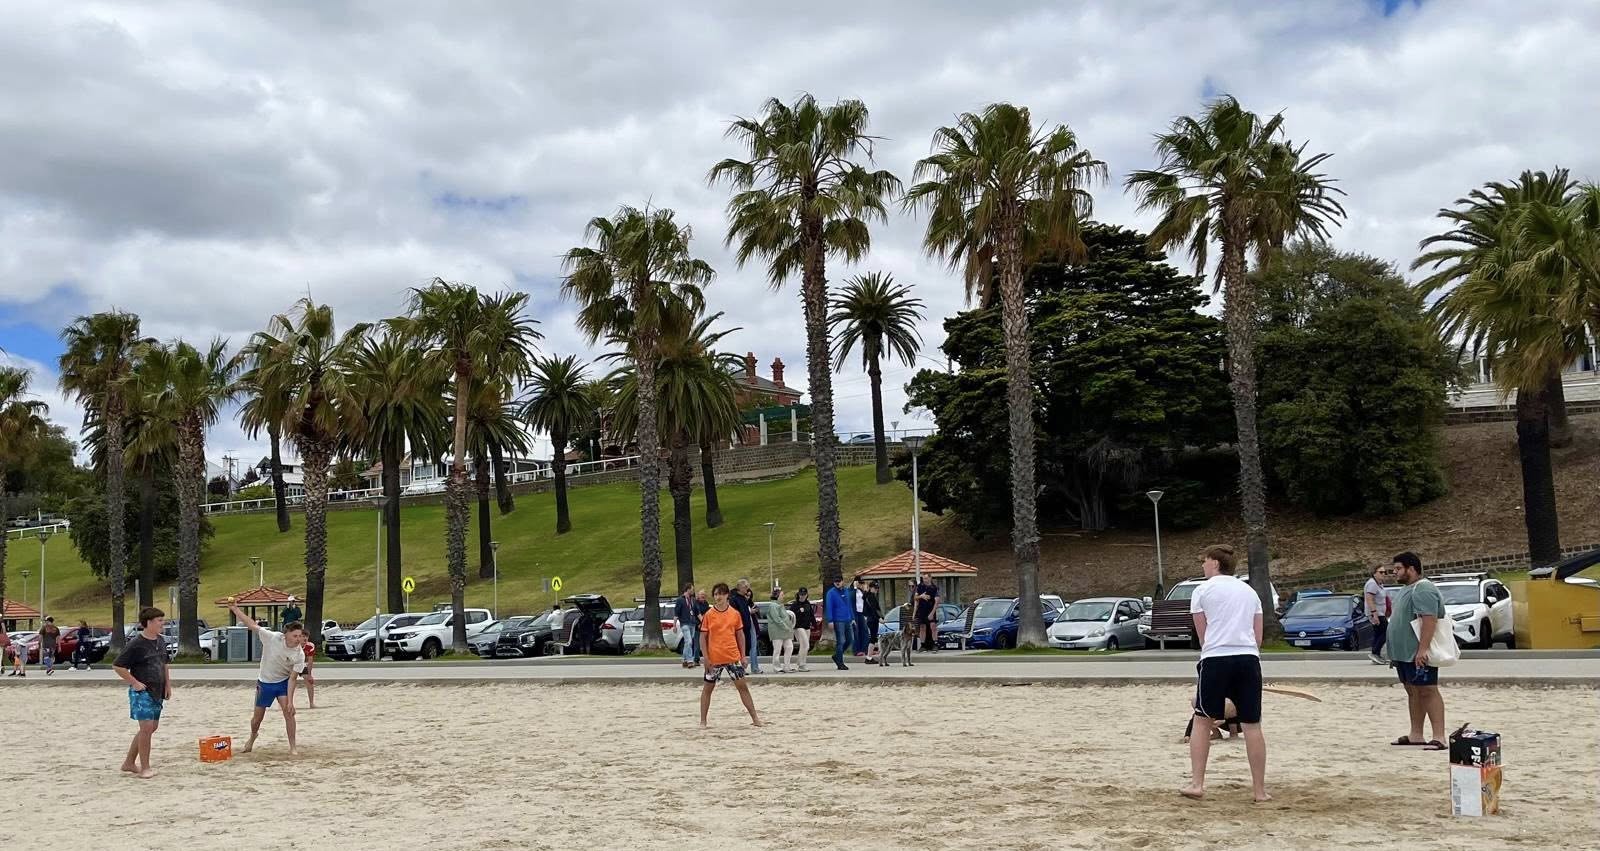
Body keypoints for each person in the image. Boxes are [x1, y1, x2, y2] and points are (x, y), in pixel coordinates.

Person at [1181, 544, 1269, 803]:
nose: (1203, 565)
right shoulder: (1249, 591)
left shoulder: (1202, 590)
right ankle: (1259, 791)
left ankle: (1197, 783)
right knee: (1252, 724)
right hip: (1248, 658)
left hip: (1216, 658)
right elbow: (1258, 636)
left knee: (1202, 720)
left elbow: (1203, 635)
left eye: (1205, 561)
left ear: (1215, 563)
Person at [227, 599, 308, 755]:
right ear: (286, 635)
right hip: (265, 683)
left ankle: (293, 747)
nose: (298, 639)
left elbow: (292, 679)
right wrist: (236, 610)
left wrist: (291, 702)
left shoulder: (300, 654)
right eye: (295, 636)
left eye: (300, 636)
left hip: (283, 683)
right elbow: (252, 625)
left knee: (289, 713)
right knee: (257, 719)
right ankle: (252, 736)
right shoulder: (273, 638)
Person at [1387, 551, 1448, 750]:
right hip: (1403, 653)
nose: (1394, 572)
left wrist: (1422, 649)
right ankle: (1416, 734)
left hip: (1417, 652)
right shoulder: (1406, 589)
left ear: (1411, 569)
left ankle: (1439, 736)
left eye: (1398, 568)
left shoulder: (1424, 588)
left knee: (1428, 690)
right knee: (1412, 691)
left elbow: (1429, 619)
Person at [112, 607, 170, 779]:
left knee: (152, 727)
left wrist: (168, 685)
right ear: (149, 622)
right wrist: (135, 683)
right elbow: (118, 666)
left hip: (158, 691)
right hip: (142, 692)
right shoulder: (136, 643)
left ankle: (129, 763)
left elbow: (164, 664)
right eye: (159, 620)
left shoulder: (160, 640)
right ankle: (145, 768)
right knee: (146, 728)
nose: (162, 623)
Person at [698, 583, 762, 728]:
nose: (718, 597)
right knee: (707, 689)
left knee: (742, 687)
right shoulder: (709, 614)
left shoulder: (734, 614)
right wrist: (706, 658)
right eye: (715, 594)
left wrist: (743, 656)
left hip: (732, 657)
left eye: (721, 594)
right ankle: (703, 721)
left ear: (727, 595)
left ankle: (755, 718)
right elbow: (703, 637)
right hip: (714, 658)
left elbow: (740, 635)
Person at [1364, 564, 1392, 665]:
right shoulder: (1372, 584)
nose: (1383, 574)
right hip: (1377, 613)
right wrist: (1374, 614)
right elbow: (1369, 599)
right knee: (1386, 632)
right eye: (1381, 572)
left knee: (1378, 633)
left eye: (1385, 572)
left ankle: (1376, 654)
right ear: (1374, 573)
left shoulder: (1378, 584)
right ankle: (1375, 653)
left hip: (1381, 613)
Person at [730, 578, 760, 674]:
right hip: (740, 627)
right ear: (740, 588)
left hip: (748, 625)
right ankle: (740, 669)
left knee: (750, 646)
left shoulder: (744, 599)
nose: (747, 589)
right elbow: (736, 614)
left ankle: (752, 668)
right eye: (746, 587)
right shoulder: (734, 599)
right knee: (740, 648)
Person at [825, 576, 854, 671]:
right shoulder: (831, 593)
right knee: (840, 641)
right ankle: (840, 663)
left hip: (847, 619)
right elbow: (829, 607)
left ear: (842, 581)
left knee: (850, 640)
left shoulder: (846, 591)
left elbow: (849, 605)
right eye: (835, 581)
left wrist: (852, 618)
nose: (837, 583)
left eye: (839, 581)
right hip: (838, 620)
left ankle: (837, 655)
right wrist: (830, 620)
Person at [788, 588, 814, 672]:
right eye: (801, 594)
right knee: (806, 645)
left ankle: (800, 663)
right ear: (798, 595)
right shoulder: (795, 604)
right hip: (798, 627)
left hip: (807, 627)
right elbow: (790, 616)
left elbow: (811, 615)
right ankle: (801, 665)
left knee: (803, 646)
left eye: (804, 594)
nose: (802, 596)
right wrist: (799, 611)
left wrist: (814, 624)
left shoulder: (807, 603)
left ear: (807, 595)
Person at [769, 594, 797, 672]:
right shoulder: (773, 605)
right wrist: (786, 627)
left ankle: (787, 666)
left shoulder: (780, 605)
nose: (783, 596)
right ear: (777, 596)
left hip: (785, 631)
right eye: (782, 595)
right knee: (777, 650)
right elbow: (777, 619)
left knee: (789, 647)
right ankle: (777, 668)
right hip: (777, 631)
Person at [675, 583, 700, 669]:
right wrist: (674, 625)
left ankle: (684, 659)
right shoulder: (680, 600)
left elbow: (697, 613)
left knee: (687, 642)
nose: (693, 591)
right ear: (688, 589)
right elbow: (676, 613)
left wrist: (703, 622)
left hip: (692, 623)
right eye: (692, 589)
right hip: (684, 623)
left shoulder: (693, 600)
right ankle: (690, 660)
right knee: (689, 641)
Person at [913, 577, 940, 651]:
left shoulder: (934, 588)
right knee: (922, 627)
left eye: (927, 578)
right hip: (922, 610)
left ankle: (935, 644)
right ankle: (923, 645)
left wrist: (932, 613)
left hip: (931, 609)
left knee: (933, 626)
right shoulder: (920, 587)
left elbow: (937, 601)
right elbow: (915, 598)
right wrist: (921, 596)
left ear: (930, 578)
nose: (925, 580)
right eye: (924, 579)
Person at [863, 581, 883, 662]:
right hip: (872, 619)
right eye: (875, 588)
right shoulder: (870, 597)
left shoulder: (869, 596)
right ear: (871, 588)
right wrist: (879, 618)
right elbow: (873, 609)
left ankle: (869, 656)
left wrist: (880, 617)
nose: (876, 590)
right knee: (873, 638)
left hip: (872, 619)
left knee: (874, 637)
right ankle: (869, 657)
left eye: (877, 588)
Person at [851, 578, 869, 657]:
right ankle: (856, 650)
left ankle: (864, 649)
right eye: (860, 583)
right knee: (856, 631)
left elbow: (865, 600)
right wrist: (855, 587)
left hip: (861, 612)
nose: (861, 584)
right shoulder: (851, 591)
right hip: (855, 613)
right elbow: (852, 598)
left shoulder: (861, 591)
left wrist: (865, 591)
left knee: (864, 630)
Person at [300, 638, 318, 709]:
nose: (304, 639)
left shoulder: (310, 646)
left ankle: (311, 703)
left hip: (302, 664)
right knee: (288, 682)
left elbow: (310, 661)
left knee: (309, 681)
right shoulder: (293, 644)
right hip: (291, 664)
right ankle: (286, 703)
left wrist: (309, 675)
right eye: (302, 636)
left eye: (306, 637)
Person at [694, 590, 709, 664]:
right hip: (697, 626)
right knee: (697, 644)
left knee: (707, 643)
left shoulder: (706, 603)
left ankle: (708, 658)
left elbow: (707, 613)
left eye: (704, 594)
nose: (703, 596)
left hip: (705, 625)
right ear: (698, 596)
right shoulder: (695, 603)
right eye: (701, 594)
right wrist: (699, 623)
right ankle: (696, 659)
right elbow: (696, 614)